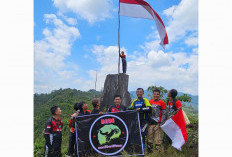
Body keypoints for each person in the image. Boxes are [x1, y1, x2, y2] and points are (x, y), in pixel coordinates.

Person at [147, 89, 166, 153]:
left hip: (158, 123)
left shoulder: (162, 102)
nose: (156, 95)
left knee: (158, 139)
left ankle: (158, 153)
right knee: (149, 138)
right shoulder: (149, 101)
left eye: (157, 94)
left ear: (159, 95)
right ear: (153, 94)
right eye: (155, 94)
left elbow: (164, 113)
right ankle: (150, 152)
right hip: (150, 123)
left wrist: (161, 123)